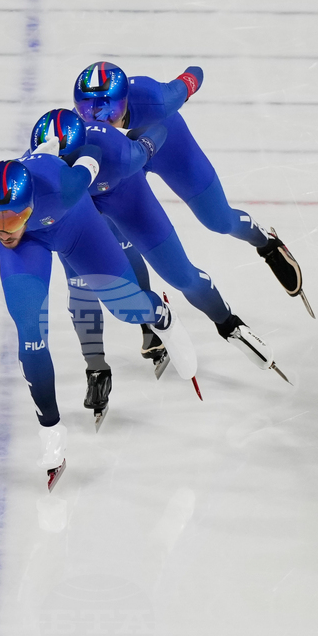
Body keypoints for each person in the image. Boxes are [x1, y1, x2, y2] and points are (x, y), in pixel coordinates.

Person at [0, 149, 198, 491]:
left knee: (126, 308)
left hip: (72, 222)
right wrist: (6, 222)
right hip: (31, 243)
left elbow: (93, 156)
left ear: (29, 206)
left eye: (11, 219)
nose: (3, 231)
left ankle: (161, 316)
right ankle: (51, 431)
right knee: (30, 334)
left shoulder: (61, 187)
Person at [30, 109, 290, 425]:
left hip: (123, 193)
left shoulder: (116, 151)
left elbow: (158, 131)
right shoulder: (35, 174)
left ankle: (229, 324)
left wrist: (146, 139)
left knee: (180, 274)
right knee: (81, 286)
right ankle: (97, 366)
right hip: (80, 214)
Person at [72, 61, 313, 318]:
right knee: (113, 225)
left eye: (111, 109)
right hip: (126, 165)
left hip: (168, 145)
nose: (100, 119)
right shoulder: (77, 132)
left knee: (219, 221)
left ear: (127, 101)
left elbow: (195, 73)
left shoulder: (156, 99)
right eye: (88, 110)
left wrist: (186, 83)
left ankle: (266, 242)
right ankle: (149, 322)